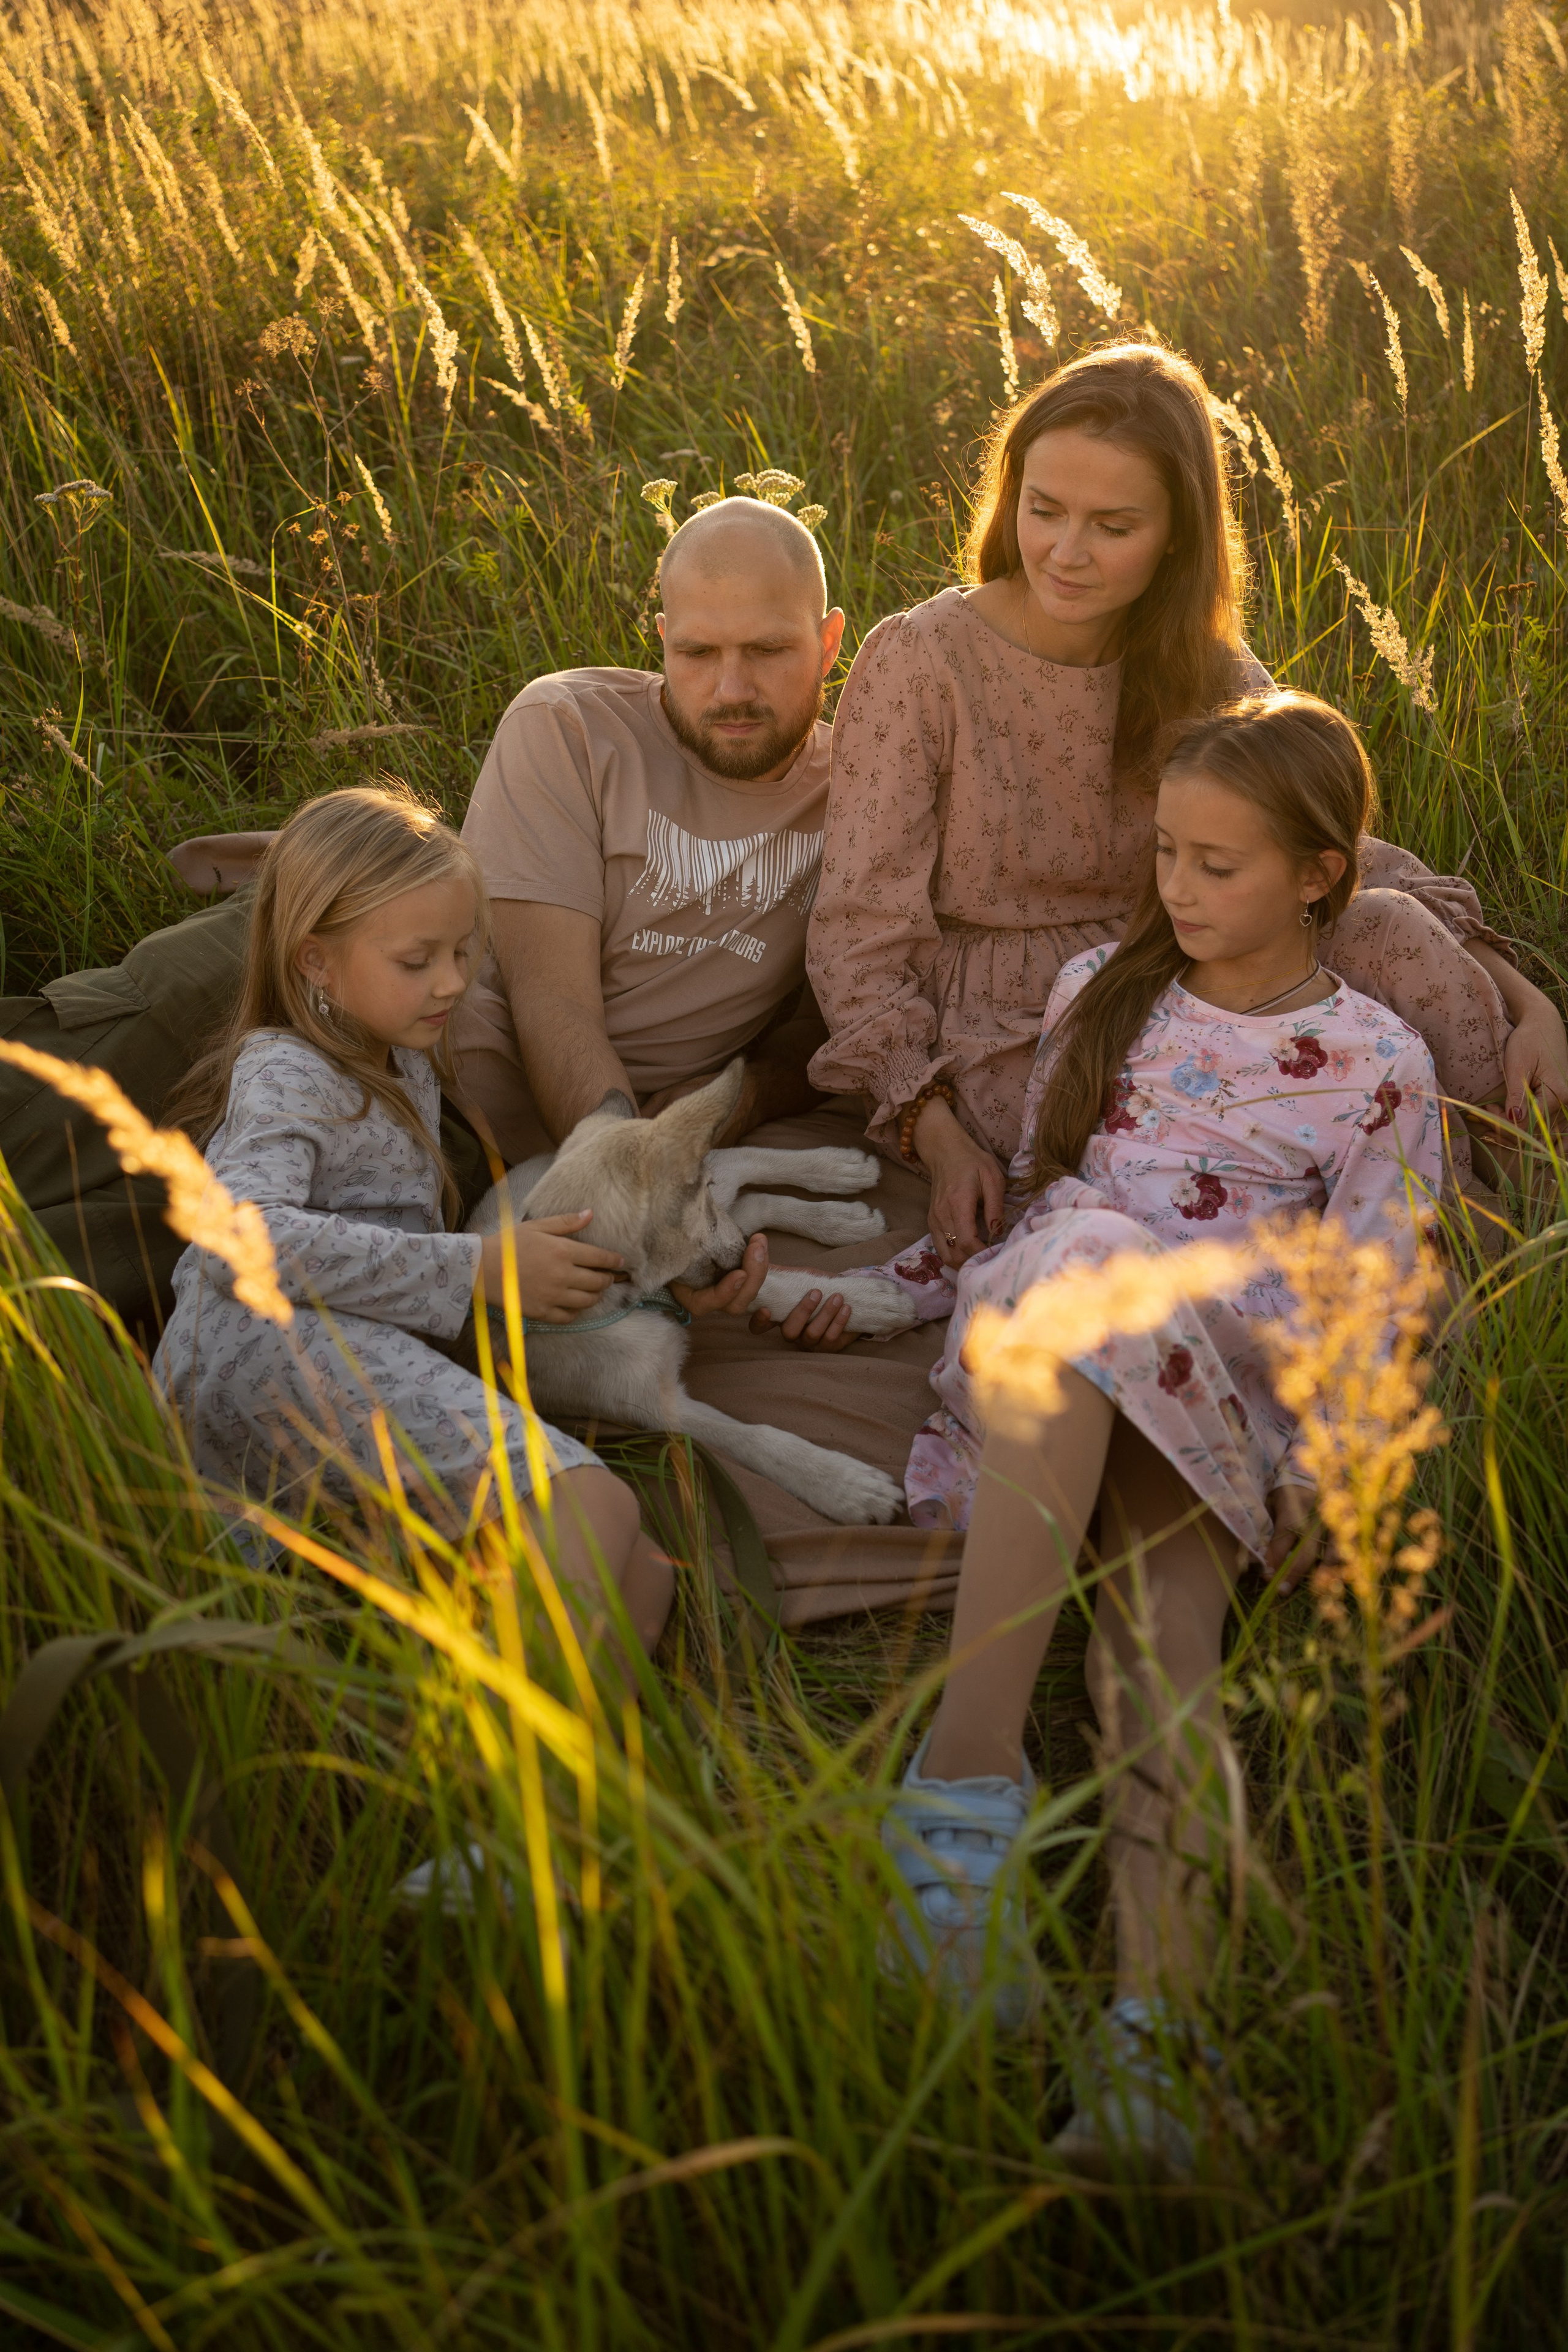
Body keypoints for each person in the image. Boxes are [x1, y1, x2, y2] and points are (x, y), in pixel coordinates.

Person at [876, 694, 1444, 2174]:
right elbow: (1031, 1182)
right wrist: (872, 1290)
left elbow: (1378, 1291)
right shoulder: (1103, 988)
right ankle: (958, 1819)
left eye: (1217, 866)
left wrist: (1325, 1465)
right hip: (1058, 1330)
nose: (1177, 892)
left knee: (1162, 1643)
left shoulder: (1375, 1063)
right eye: (1167, 857)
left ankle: (1153, 2054)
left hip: (1221, 1383)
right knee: (1081, 1272)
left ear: (1319, 873)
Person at [807, 340, 1566, 1273]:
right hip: (1023, 1020)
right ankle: (1404, 1262)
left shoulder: (1201, 665)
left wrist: (1530, 1005)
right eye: (1043, 510)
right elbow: (858, 935)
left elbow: (1337, 846)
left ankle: (1534, 1216)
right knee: (1164, 1125)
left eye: (1113, 525)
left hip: (1198, 946)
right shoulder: (923, 661)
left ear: (1176, 533)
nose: (1066, 552)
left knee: (1390, 925)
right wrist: (937, 1132)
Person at [153, 783, 676, 1667]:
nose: (454, 981)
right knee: (596, 1507)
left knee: (648, 1573)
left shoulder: (399, 1049)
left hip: (344, 1347)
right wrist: (474, 1270)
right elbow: (236, 1237)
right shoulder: (285, 1066)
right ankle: (511, 1775)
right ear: (315, 962)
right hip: (264, 1353)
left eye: (465, 950)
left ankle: (570, 1765)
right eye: (418, 959)